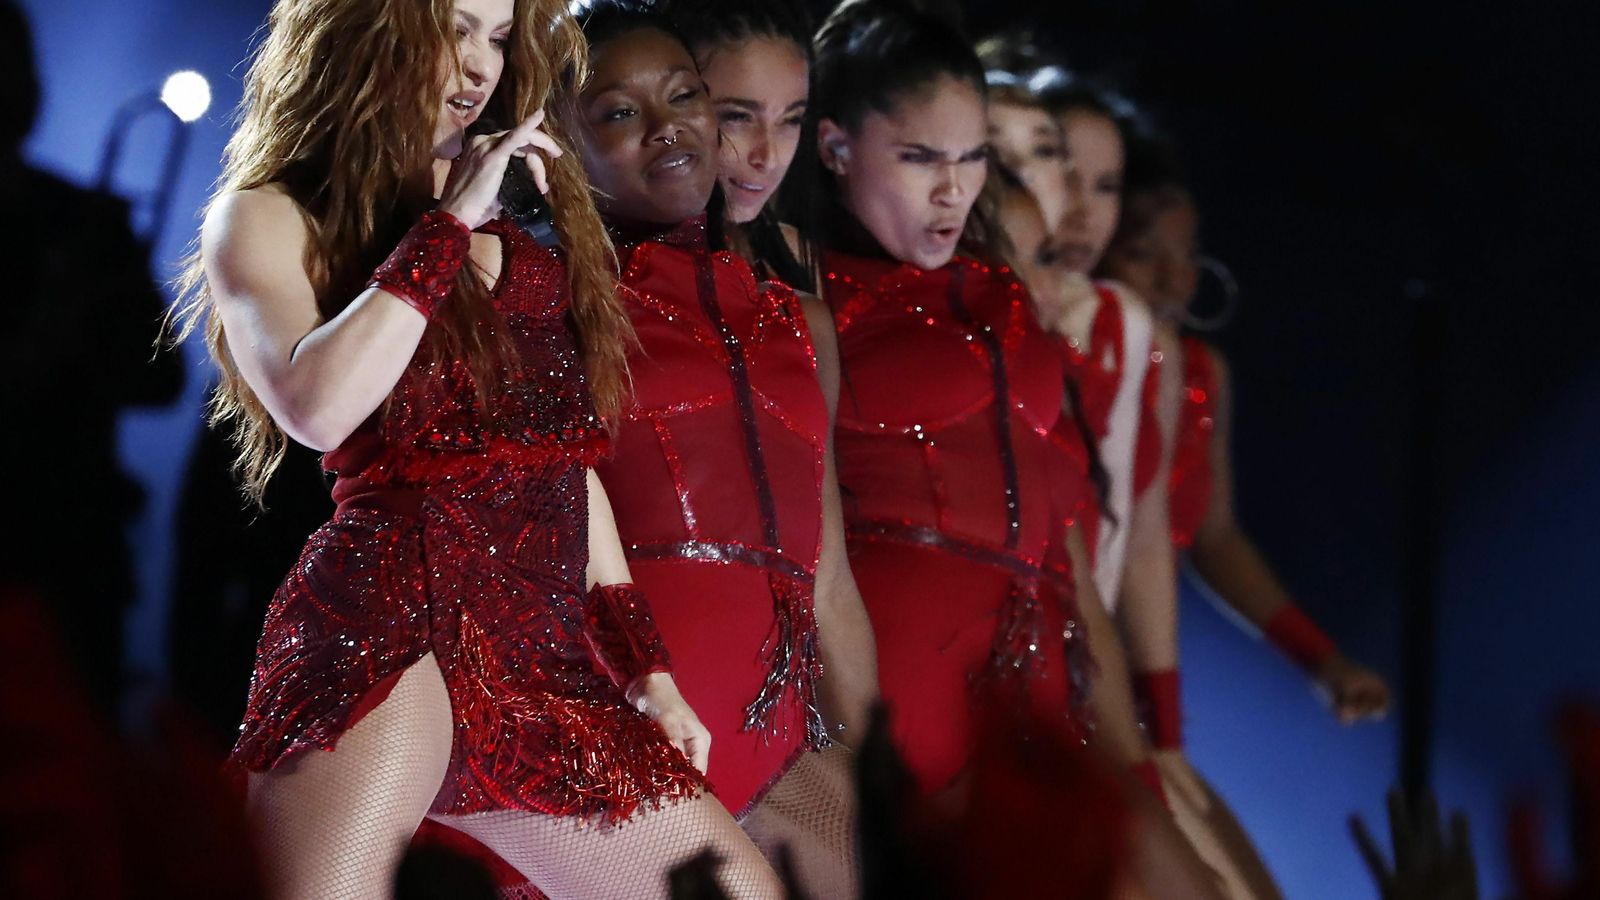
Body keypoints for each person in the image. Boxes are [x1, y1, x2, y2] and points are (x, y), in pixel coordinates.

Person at [173, 0, 782, 896]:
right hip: (391, 632)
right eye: (455, 29)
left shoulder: (518, 220)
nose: (479, 66)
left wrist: (646, 670)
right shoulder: (266, 217)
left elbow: (561, 460)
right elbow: (319, 409)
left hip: (539, 652)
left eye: (497, 39)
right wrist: (446, 227)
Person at [579, 1, 871, 893]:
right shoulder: (555, 306)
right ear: (557, 143)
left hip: (781, 745)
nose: (670, 129)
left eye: (686, 97)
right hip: (624, 728)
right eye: (623, 111)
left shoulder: (802, 325)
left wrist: (879, 758)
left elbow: (826, 578)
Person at [0, 0, 184, 711]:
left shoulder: (87, 219)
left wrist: (85, 338)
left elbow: (161, 376)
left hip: (65, 555)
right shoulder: (84, 216)